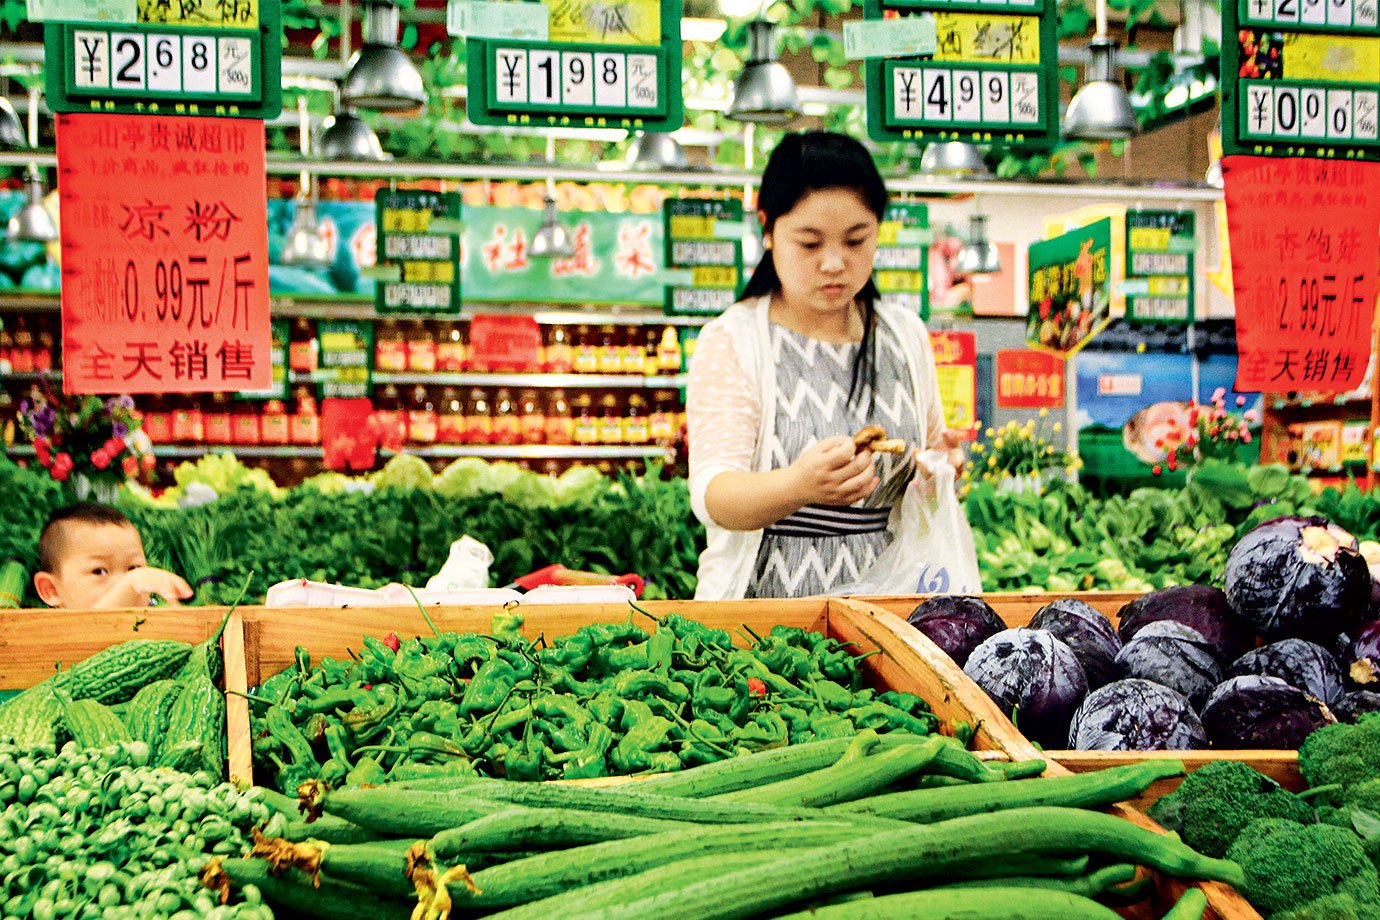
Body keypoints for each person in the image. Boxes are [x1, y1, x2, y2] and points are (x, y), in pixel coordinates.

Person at [687, 131, 965, 600]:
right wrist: (797, 485)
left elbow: (930, 458)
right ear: (768, 229)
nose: (835, 263)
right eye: (810, 243)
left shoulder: (904, 335)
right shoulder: (734, 340)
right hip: (766, 623)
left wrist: (945, 467)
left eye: (856, 240)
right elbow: (714, 496)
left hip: (892, 607)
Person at [33, 502, 192, 609]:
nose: (122, 582)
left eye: (134, 569)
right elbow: (95, 627)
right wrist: (131, 584)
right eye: (99, 571)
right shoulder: (52, 638)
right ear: (51, 590)